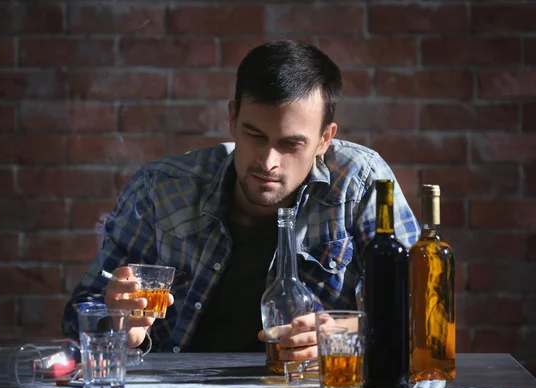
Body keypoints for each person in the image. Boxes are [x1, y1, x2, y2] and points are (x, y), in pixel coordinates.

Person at [62, 40, 420, 361]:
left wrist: (346, 333)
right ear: (232, 118)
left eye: (291, 144)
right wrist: (117, 321)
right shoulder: (162, 188)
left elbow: (421, 311)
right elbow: (80, 311)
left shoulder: (358, 183)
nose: (268, 162)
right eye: (254, 135)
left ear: (325, 139)